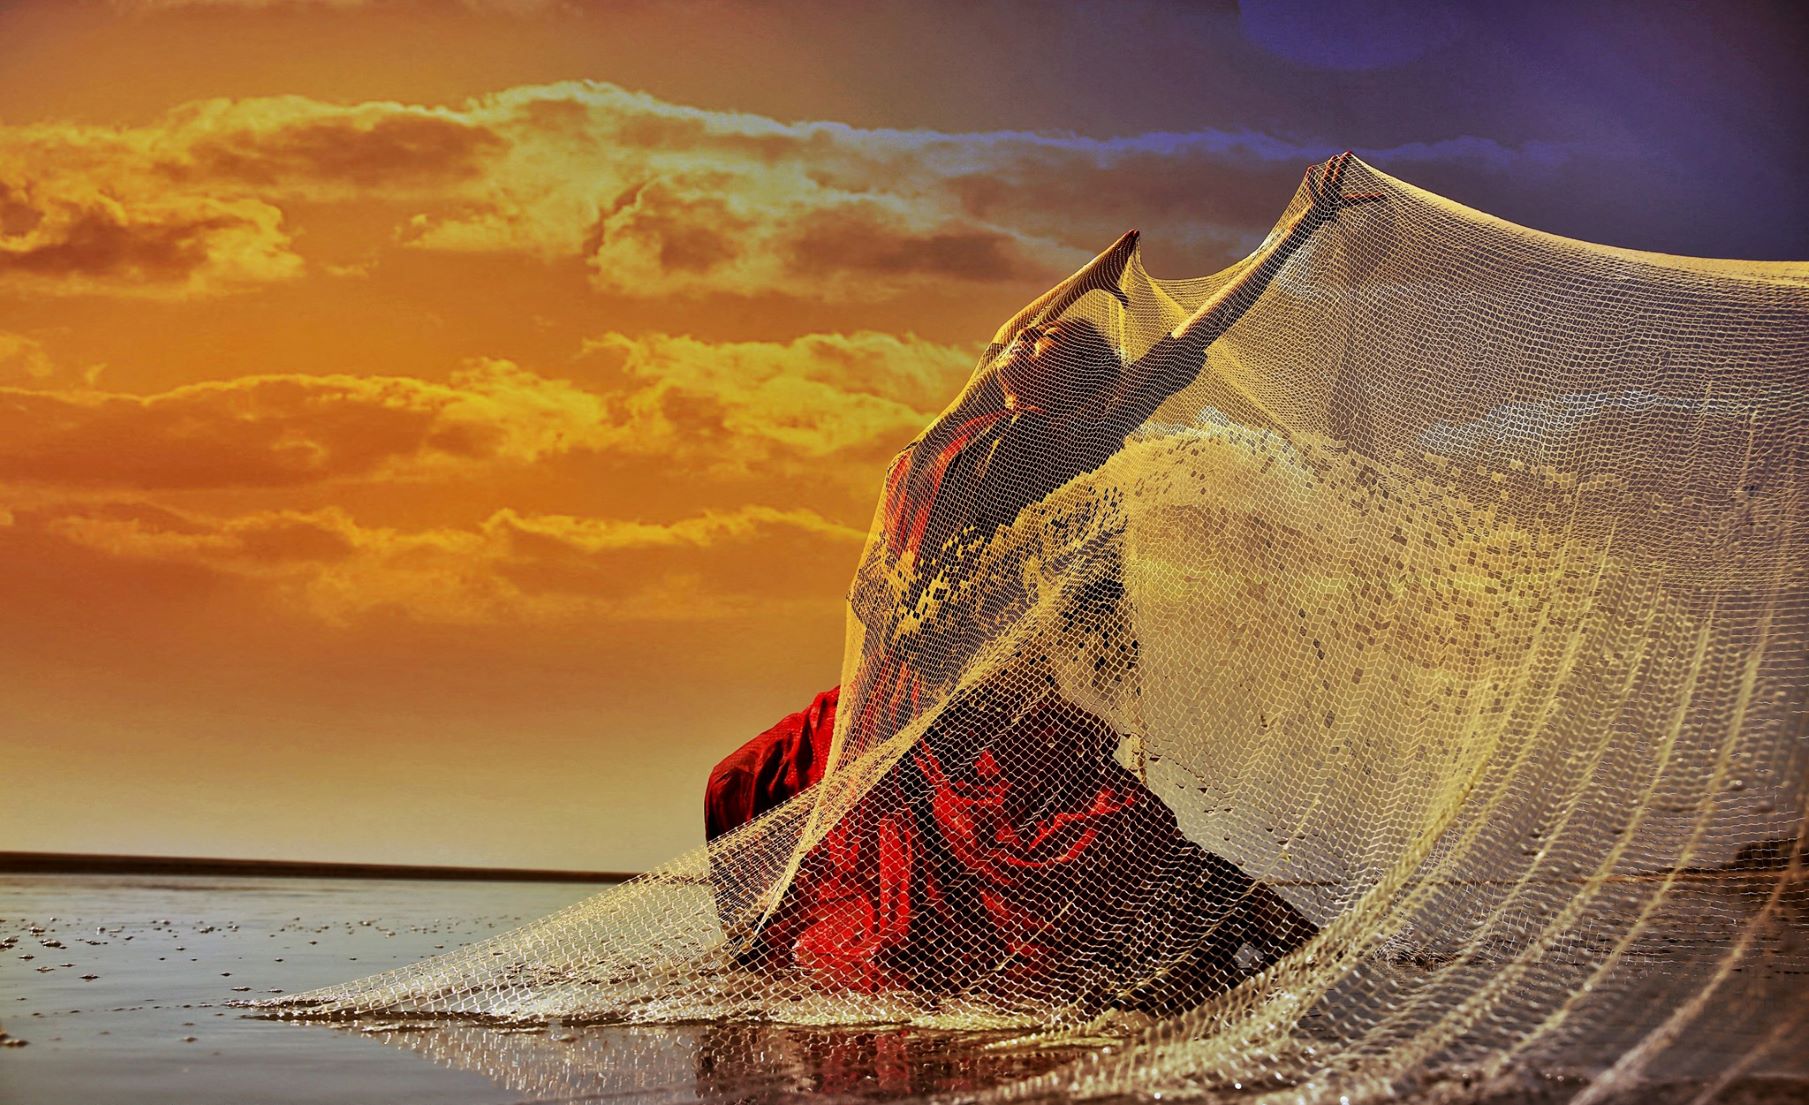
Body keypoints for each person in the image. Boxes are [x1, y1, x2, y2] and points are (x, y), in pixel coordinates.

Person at [705, 154, 1379, 1010]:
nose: (1023, 343)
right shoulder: (959, 424)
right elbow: (1002, 333)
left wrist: (1296, 234)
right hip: (887, 687)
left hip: (960, 690)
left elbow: (1184, 349)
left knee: (1058, 835)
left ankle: (1266, 938)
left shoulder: (1062, 443)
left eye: (1047, 345)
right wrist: (1091, 278)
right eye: (1029, 340)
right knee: (742, 782)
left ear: (1072, 383)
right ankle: (753, 955)